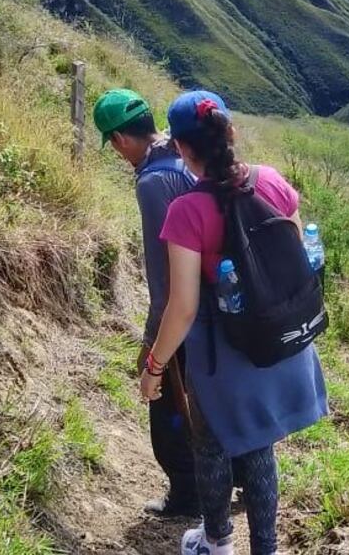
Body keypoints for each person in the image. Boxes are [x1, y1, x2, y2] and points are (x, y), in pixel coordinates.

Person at [139, 90, 328, 555]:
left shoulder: (187, 212)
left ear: (182, 149)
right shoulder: (272, 182)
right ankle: (265, 548)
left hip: (223, 353)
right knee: (260, 445)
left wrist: (155, 367)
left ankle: (216, 542)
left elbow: (182, 306)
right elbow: (294, 263)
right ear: (231, 133)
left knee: (210, 446)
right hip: (276, 339)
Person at [92, 88, 200, 518]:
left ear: (118, 139)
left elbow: (165, 277)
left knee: (168, 403)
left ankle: (188, 496)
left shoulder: (154, 183)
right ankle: (239, 478)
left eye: (114, 145)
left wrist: (153, 343)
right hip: (220, 300)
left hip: (189, 307)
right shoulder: (182, 155)